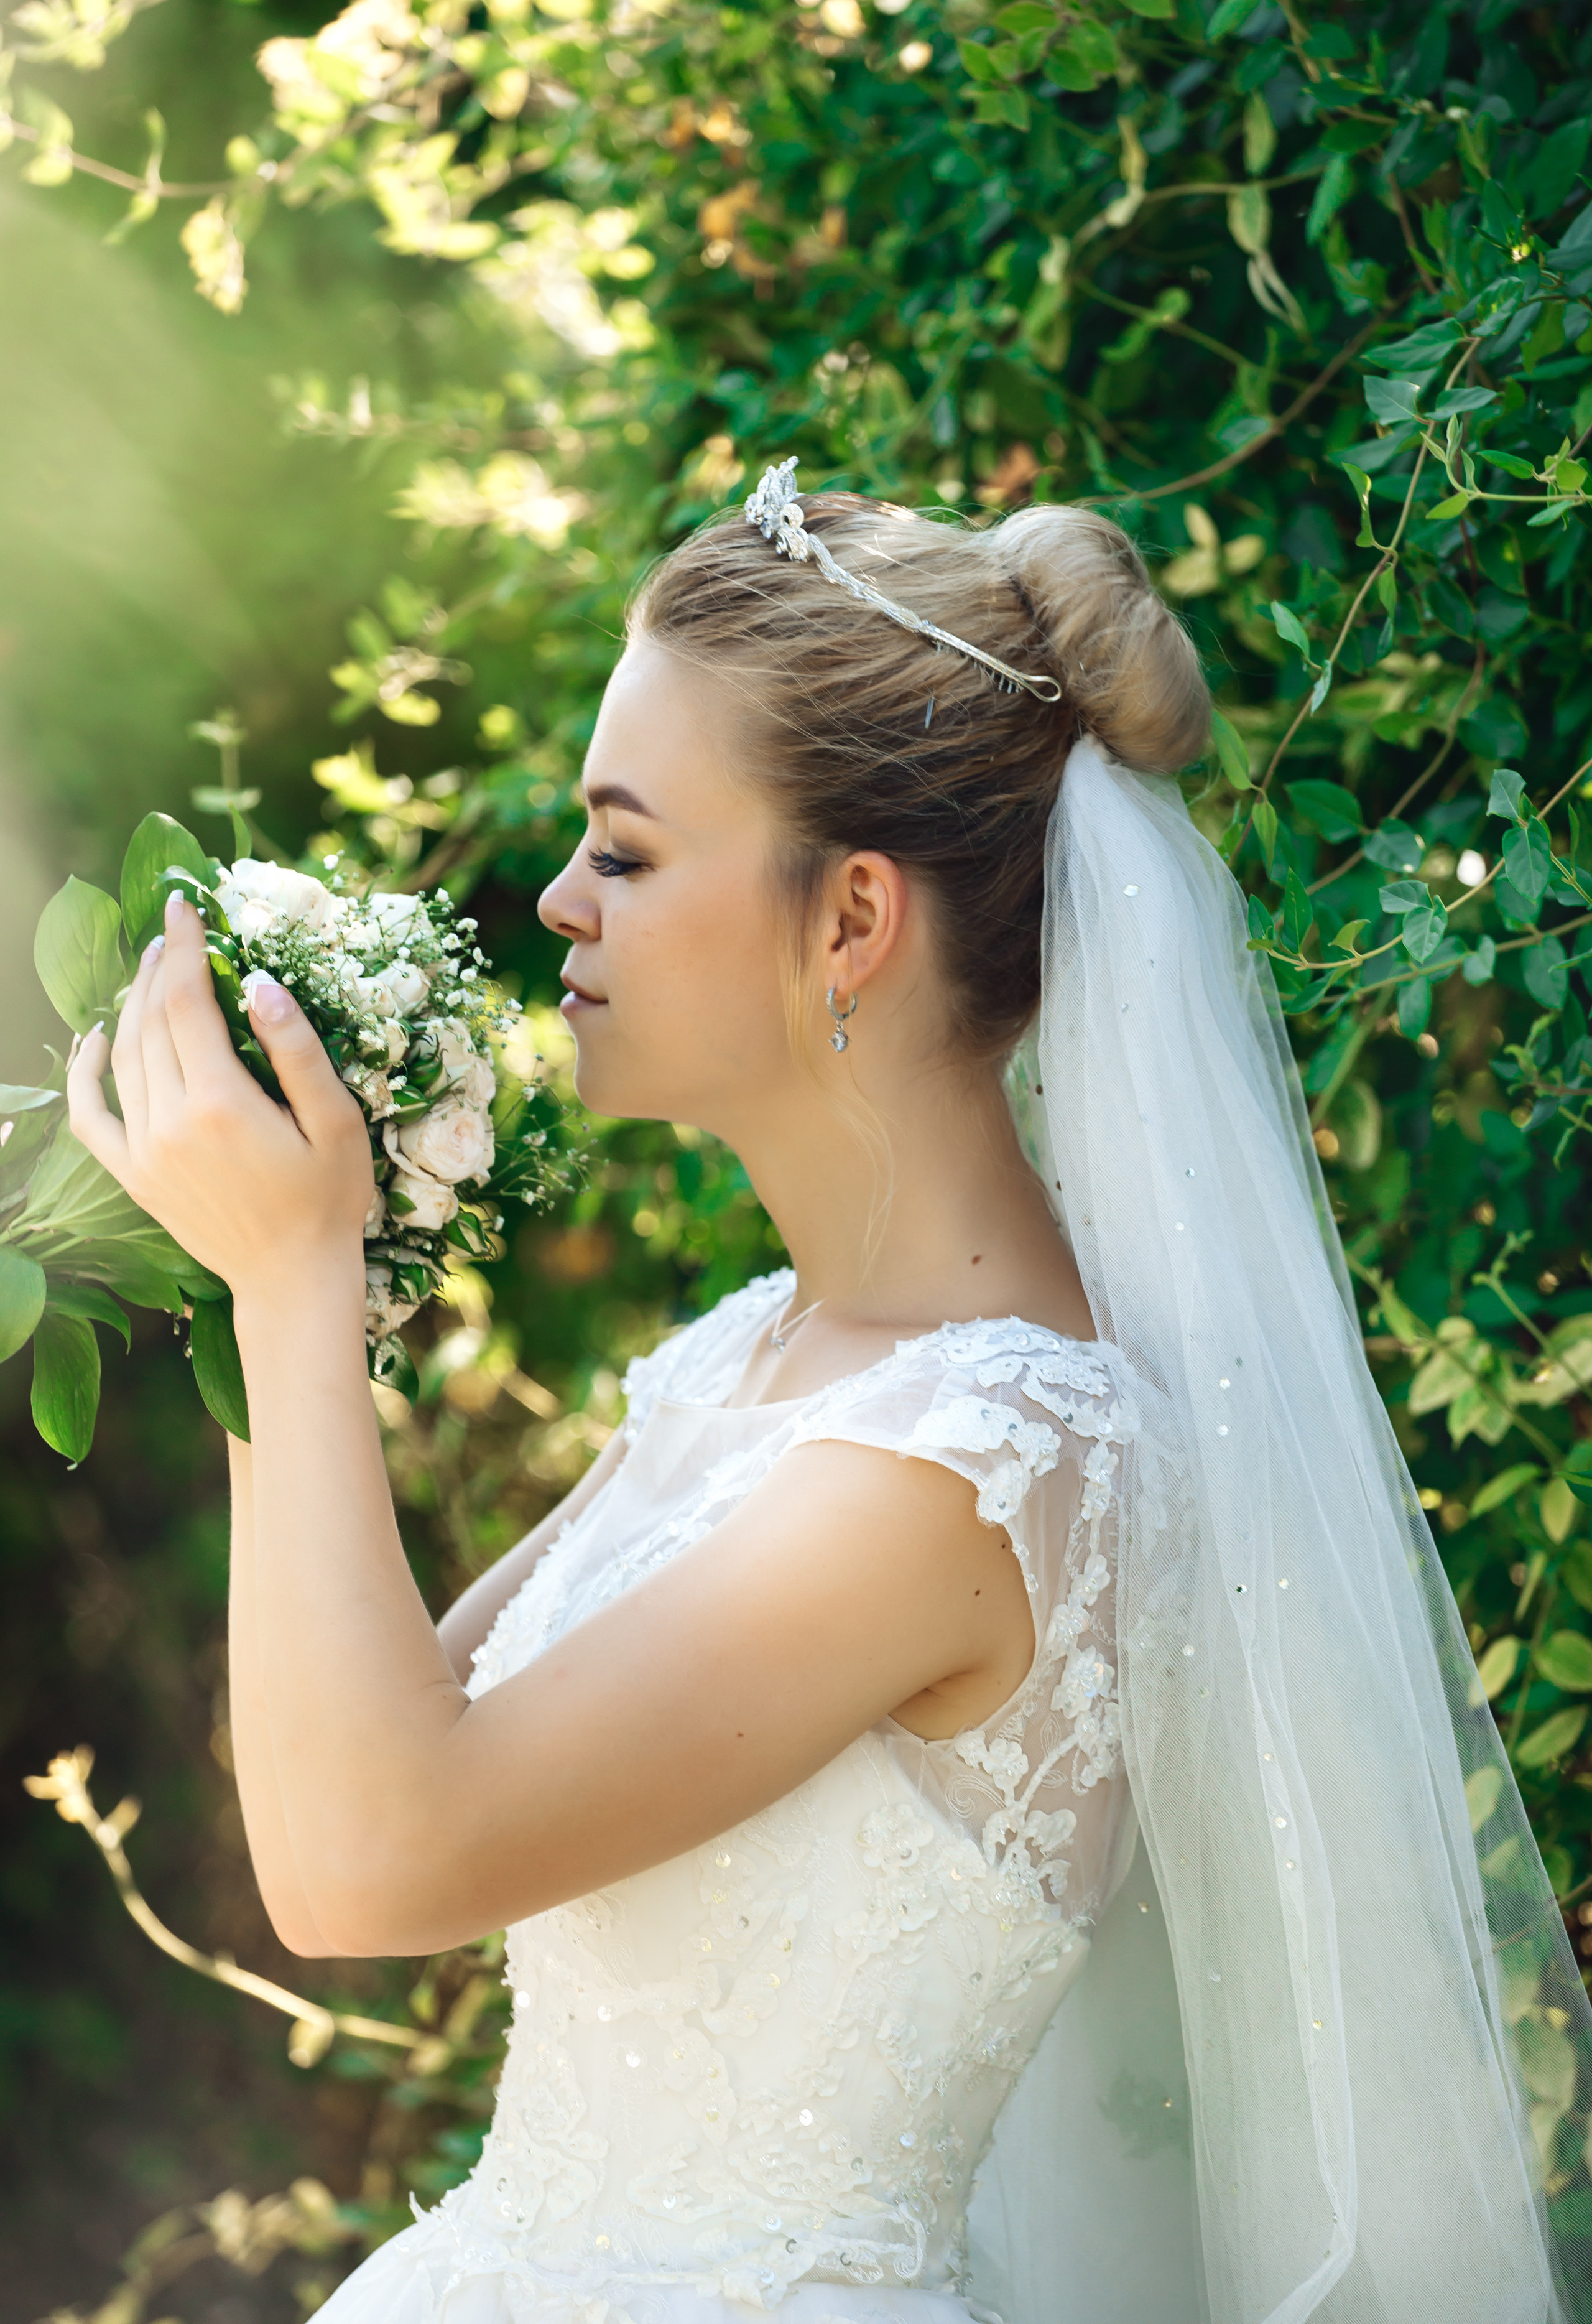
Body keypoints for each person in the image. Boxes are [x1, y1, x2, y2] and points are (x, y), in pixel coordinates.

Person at [67, 462, 1592, 2324]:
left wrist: (288, 1284)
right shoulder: (752, 1357)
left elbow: (366, 1872)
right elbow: (366, 1749)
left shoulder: (974, 1469)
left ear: (854, 919)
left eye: (628, 853)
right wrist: (263, 1279)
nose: (558, 901)